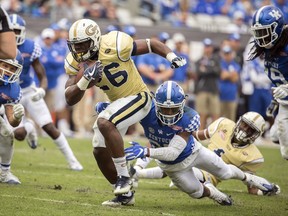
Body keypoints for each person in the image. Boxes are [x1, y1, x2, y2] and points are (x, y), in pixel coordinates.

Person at [64, 18, 186, 206]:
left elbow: (150, 44)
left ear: (95, 39)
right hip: (116, 103)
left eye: (82, 45)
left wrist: (171, 56)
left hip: (138, 96)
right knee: (98, 150)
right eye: (75, 46)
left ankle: (124, 177)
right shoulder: (76, 61)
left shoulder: (115, 44)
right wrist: (84, 81)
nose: (78, 50)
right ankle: (125, 195)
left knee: (105, 122)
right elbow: (70, 97)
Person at [123, 81, 274, 206]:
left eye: (173, 109)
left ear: (182, 104)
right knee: (196, 192)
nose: (169, 114)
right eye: (164, 109)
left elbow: (174, 152)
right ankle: (214, 194)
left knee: (226, 173)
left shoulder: (190, 117)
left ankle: (249, 179)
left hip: (195, 153)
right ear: (156, 104)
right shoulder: (146, 112)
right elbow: (126, 109)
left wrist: (146, 152)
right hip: (172, 166)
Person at [9, 14, 83, 171]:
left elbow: (40, 73)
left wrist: (42, 88)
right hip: (10, 94)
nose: (15, 34)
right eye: (12, 30)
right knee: (19, 134)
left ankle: (72, 160)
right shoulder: (2, 46)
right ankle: (29, 128)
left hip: (28, 90)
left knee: (49, 127)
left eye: (17, 31)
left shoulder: (30, 46)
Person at [249, 5, 288, 159]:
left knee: (286, 152)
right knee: (274, 136)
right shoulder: (267, 47)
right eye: (258, 32)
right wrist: (275, 101)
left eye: (264, 32)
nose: (261, 37)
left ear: (277, 29)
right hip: (284, 100)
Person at [0, 50, 25, 184]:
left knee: (7, 133)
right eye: (5, 66)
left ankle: (4, 173)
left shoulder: (12, 88)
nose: (8, 71)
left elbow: (13, 122)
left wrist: (17, 116)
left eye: (12, 68)